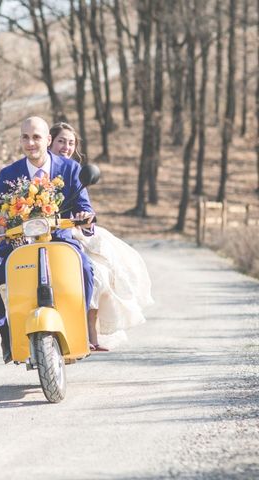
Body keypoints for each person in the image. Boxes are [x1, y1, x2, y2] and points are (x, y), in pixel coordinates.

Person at [0, 116, 96, 363]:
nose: (31, 143)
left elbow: (85, 207)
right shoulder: (10, 174)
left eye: (36, 137)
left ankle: (77, 329)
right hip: (17, 247)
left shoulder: (70, 170)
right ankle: (6, 334)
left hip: (59, 243)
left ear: (48, 140)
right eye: (25, 137)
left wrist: (85, 216)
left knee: (85, 269)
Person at [49, 121, 153, 351]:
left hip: (72, 232)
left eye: (71, 143)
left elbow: (85, 206)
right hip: (39, 234)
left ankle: (90, 334)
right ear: (49, 142)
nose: (66, 147)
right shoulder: (36, 170)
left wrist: (84, 216)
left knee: (98, 275)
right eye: (61, 141)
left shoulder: (75, 171)